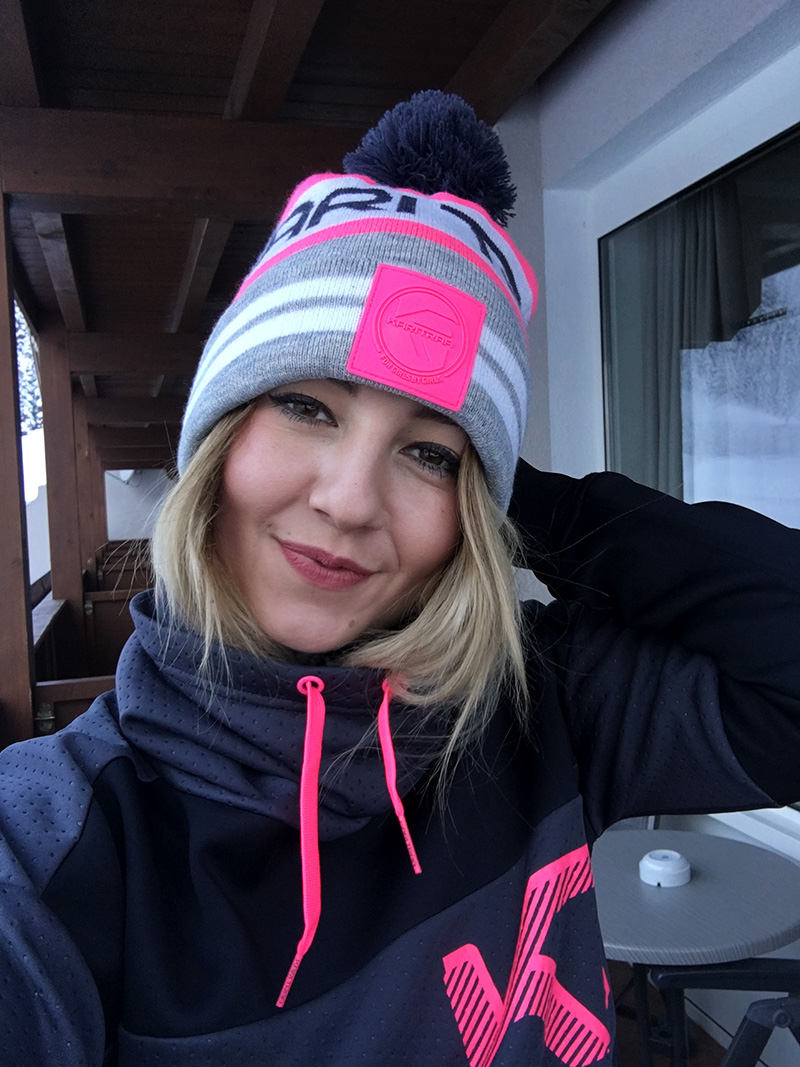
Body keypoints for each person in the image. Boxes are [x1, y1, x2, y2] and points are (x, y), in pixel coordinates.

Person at [1, 91, 799, 1067]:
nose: (348, 500)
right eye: (307, 405)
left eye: (426, 453)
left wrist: (514, 491)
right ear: (217, 438)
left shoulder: (540, 709)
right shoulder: (54, 843)